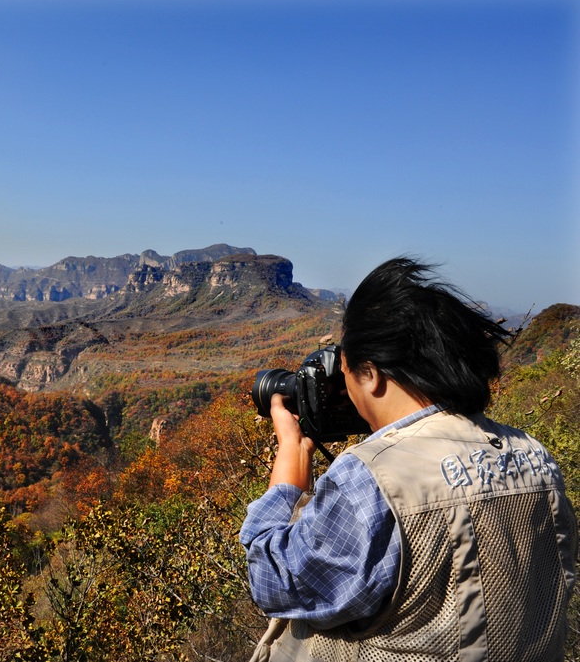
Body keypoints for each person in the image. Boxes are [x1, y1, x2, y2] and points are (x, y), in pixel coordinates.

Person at [239, 257, 577, 661]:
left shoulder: (372, 478)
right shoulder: (536, 457)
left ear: (372, 373)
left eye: (345, 370)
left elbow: (272, 581)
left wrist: (288, 471)